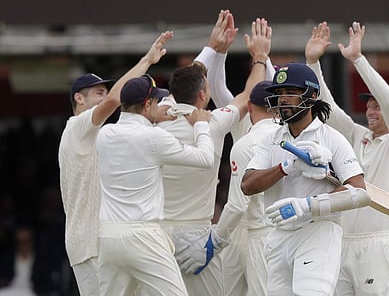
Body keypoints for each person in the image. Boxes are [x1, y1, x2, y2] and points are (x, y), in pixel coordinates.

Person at [156, 15, 271, 295]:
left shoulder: (156, 116)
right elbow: (247, 97)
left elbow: (187, 83)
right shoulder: (213, 122)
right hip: (197, 232)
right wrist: (259, 57)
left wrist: (212, 49)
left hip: (157, 233)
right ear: (202, 95)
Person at [305, 21, 389, 295]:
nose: (371, 111)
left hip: (376, 245)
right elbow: (328, 110)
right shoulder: (358, 135)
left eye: (376, 107)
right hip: (341, 241)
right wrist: (312, 63)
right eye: (368, 106)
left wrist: (357, 59)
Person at [58, 30, 173, 295]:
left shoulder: (102, 135)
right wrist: (147, 60)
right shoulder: (77, 127)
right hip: (89, 245)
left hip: (107, 242)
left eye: (104, 92)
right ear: (79, 98)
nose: (105, 96)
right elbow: (114, 101)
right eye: (98, 93)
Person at [241, 62, 366, 296]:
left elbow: (358, 192)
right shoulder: (271, 140)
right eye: (279, 94)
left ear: (313, 95)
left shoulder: (332, 138)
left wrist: (308, 205)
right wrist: (287, 167)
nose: (283, 100)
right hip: (278, 235)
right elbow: (247, 185)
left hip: (318, 231)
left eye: (290, 93)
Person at [95, 74, 214, 295]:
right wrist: (201, 126)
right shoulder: (154, 136)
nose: (160, 105)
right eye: (156, 102)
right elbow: (205, 159)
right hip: (143, 234)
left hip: (108, 235)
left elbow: (133, 130)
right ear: (148, 104)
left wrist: (152, 117)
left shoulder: (104, 134)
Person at [216, 81, 279, 296]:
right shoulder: (293, 138)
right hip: (285, 232)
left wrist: (215, 239)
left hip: (259, 233)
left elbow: (236, 204)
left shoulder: (246, 144)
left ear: (250, 107)